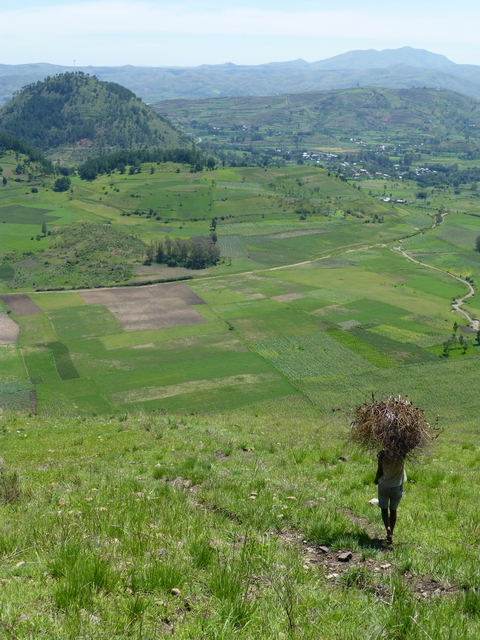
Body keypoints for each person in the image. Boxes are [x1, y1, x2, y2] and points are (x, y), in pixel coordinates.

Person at [374, 450, 406, 543]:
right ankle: (391, 532)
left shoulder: (382, 455)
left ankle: (388, 528)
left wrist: (376, 479)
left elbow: (379, 471)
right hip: (397, 487)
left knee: (384, 510)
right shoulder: (401, 455)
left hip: (384, 486)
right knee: (393, 510)